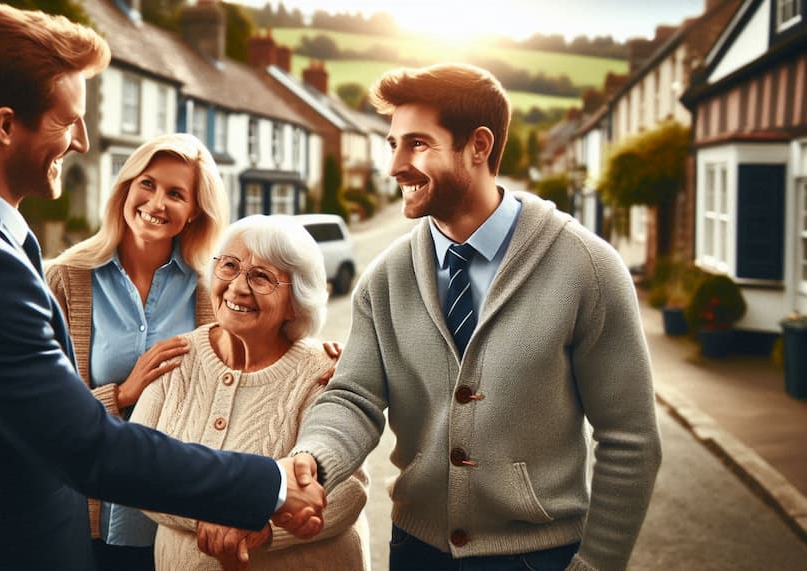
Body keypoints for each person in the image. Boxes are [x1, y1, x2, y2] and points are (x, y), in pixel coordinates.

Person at [0, 4, 324, 570]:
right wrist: (269, 484)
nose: (82, 140)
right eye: (67, 121)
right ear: (5, 126)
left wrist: (306, 356)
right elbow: (85, 446)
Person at [290, 63, 663, 571]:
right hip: (415, 553)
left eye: (417, 144)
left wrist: (597, 564)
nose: (395, 166)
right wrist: (313, 460)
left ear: (479, 146)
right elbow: (354, 398)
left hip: (538, 558)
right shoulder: (384, 279)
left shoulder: (587, 268)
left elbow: (630, 438)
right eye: (393, 144)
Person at [111, 215, 369, 570]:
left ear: (295, 302)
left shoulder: (322, 371)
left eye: (261, 277)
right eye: (229, 266)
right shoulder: (176, 358)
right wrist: (218, 512)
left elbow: (348, 491)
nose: (237, 287)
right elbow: (132, 469)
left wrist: (262, 528)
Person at [46, 133, 227, 570]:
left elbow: (247, 368)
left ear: (193, 212)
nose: (157, 203)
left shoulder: (211, 288)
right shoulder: (65, 278)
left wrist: (316, 358)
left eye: (176, 194)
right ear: (126, 188)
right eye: (147, 184)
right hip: (84, 513)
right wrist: (122, 394)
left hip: (175, 516)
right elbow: (45, 413)